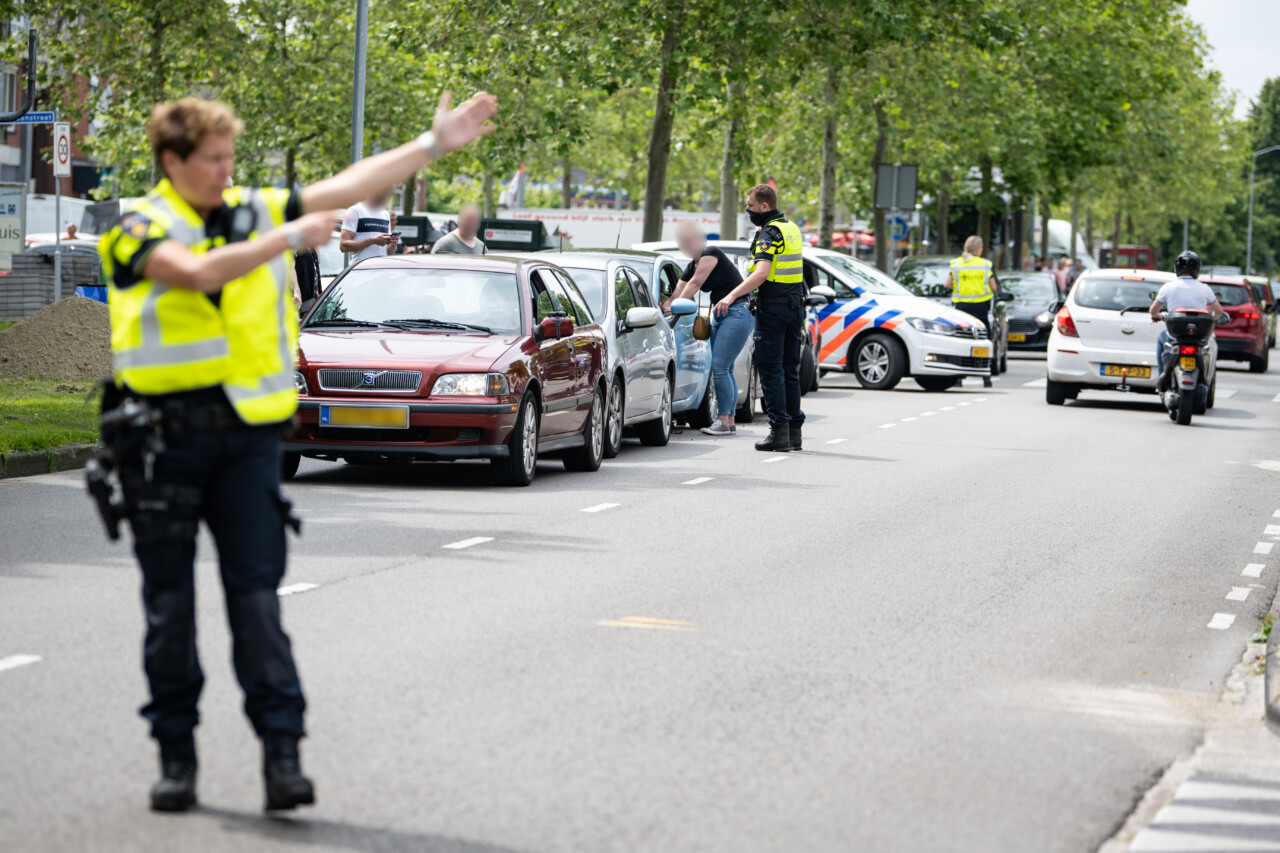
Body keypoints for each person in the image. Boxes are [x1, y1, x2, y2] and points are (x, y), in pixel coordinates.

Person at [97, 91, 497, 814]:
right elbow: (193, 273)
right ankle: (176, 756)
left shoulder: (249, 207)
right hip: (161, 438)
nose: (227, 171)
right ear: (172, 161)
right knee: (170, 607)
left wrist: (433, 143)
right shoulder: (134, 227)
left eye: (230, 158)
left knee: (256, 603)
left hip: (248, 438)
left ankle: (282, 753)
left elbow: (344, 186)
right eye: (213, 160)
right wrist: (286, 238)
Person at [712, 184, 805, 452]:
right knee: (789, 370)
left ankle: (778, 433)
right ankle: (793, 434)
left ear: (764, 207)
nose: (748, 210)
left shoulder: (769, 233)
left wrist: (730, 296)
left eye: (750, 206)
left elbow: (761, 272)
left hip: (774, 309)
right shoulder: (791, 228)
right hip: (794, 307)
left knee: (770, 370)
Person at [667, 221, 749, 436]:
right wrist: (664, 306)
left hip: (737, 311)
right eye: (682, 242)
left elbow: (694, 284)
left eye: (689, 240)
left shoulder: (711, 253)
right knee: (726, 368)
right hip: (721, 314)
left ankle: (722, 419)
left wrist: (675, 307)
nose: (686, 245)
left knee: (720, 367)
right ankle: (729, 420)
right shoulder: (692, 264)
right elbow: (679, 290)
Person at [1148, 250, 1223, 377]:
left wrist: (1159, 317)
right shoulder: (1204, 288)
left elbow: (1153, 311)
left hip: (1174, 336)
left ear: (1177, 268)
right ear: (1197, 269)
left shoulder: (1168, 287)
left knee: (1162, 338)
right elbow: (1219, 311)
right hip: (1198, 337)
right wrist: (1211, 320)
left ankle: (1162, 375)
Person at [947, 235, 998, 388]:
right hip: (980, 309)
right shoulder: (985, 264)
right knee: (982, 341)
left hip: (961, 309)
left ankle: (958, 378)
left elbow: (947, 284)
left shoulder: (956, 264)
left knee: (962, 341)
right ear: (978, 248)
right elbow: (994, 287)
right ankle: (986, 377)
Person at [340, 189, 398, 262]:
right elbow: (343, 246)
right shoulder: (355, 211)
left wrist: (393, 244)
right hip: (362, 269)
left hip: (382, 269)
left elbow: (388, 253)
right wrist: (372, 241)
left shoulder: (385, 214)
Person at [293, 246, 321, 314]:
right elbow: (289, 266)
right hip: (301, 299)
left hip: (312, 298)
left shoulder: (309, 244)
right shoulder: (295, 245)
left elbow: (318, 260)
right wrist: (296, 291)